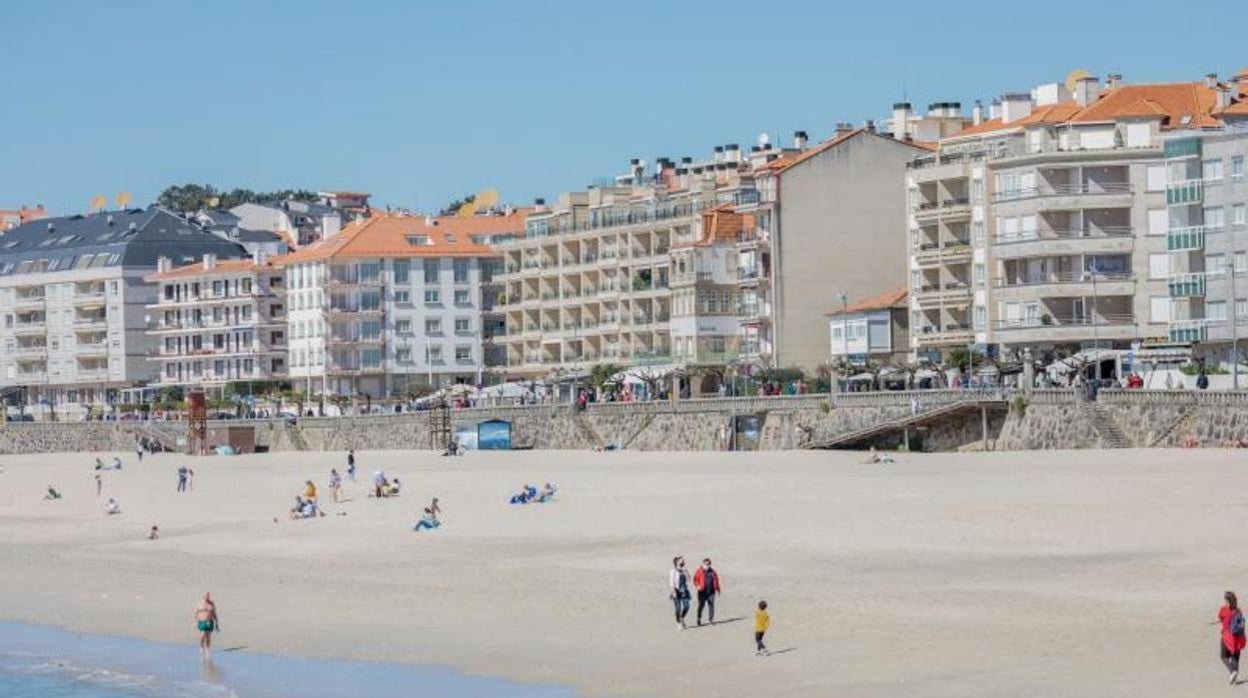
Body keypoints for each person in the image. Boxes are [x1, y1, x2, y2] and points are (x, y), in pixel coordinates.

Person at [1217, 590, 1246, 684]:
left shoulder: (1224, 609)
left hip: (1227, 637)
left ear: (1227, 601)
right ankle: (1235, 675)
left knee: (1223, 656)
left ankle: (1232, 671)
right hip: (1238, 638)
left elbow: (1220, 618)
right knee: (1235, 657)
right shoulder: (1238, 611)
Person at [693, 558, 721, 626]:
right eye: (705, 564)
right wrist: (697, 586)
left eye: (708, 564)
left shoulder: (713, 572)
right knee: (701, 606)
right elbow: (695, 579)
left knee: (711, 606)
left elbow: (716, 581)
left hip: (711, 592)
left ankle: (711, 620)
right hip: (702, 592)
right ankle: (699, 619)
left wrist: (718, 589)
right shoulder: (699, 571)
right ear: (703, 564)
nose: (707, 566)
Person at [669, 557, 692, 630]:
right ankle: (678, 623)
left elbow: (689, 580)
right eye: (681, 562)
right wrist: (673, 592)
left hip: (684, 591)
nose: (683, 563)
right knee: (678, 609)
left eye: (683, 562)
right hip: (676, 591)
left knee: (687, 606)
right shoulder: (673, 571)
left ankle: (682, 617)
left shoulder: (684, 570)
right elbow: (671, 583)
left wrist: (686, 572)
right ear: (676, 563)